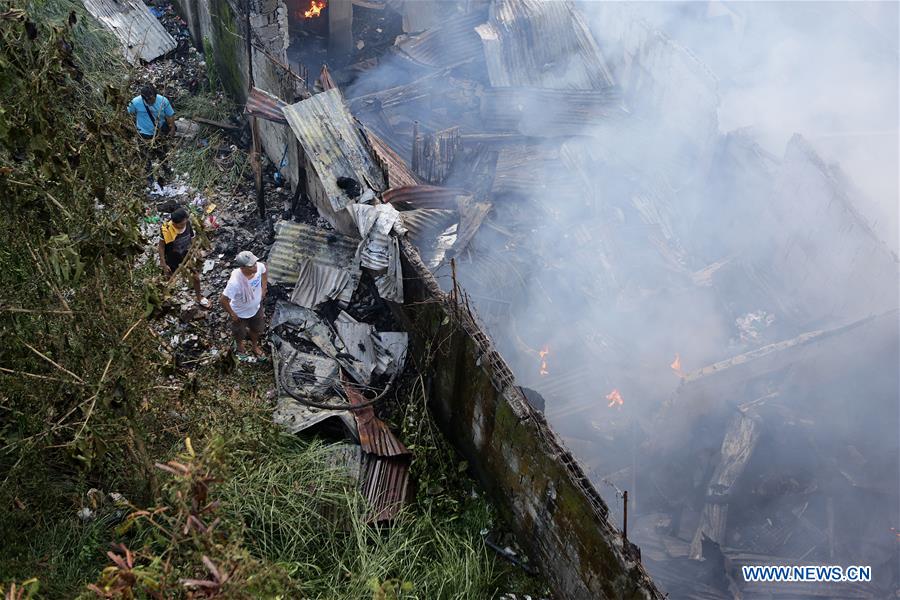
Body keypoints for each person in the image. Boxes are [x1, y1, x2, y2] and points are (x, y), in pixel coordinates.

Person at [158, 207, 210, 307]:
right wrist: (163, 263)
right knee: (169, 281)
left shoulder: (188, 224)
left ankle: (199, 298)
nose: (184, 225)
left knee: (196, 278)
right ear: (174, 223)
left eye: (185, 223)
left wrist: (195, 250)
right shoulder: (166, 230)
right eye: (181, 224)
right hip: (172, 259)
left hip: (186, 256)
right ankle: (165, 301)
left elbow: (192, 238)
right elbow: (161, 247)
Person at [221, 251, 268, 360]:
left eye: (255, 263)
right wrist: (232, 314)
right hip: (240, 313)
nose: (255, 267)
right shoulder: (235, 283)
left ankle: (255, 346)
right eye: (251, 266)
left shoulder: (258, 267)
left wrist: (264, 287)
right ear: (242, 268)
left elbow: (264, 269)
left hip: (256, 308)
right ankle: (240, 347)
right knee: (239, 333)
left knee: (257, 329)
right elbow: (223, 300)